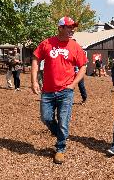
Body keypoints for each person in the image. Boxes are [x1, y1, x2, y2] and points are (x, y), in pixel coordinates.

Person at [31, 16, 87, 164]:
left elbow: (83, 66)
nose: (72, 30)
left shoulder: (75, 46)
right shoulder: (47, 43)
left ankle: (60, 148)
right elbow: (36, 59)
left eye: (73, 27)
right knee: (46, 118)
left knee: (63, 121)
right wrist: (34, 81)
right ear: (60, 28)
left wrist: (74, 83)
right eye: (69, 27)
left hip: (66, 91)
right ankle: (61, 134)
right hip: (48, 91)